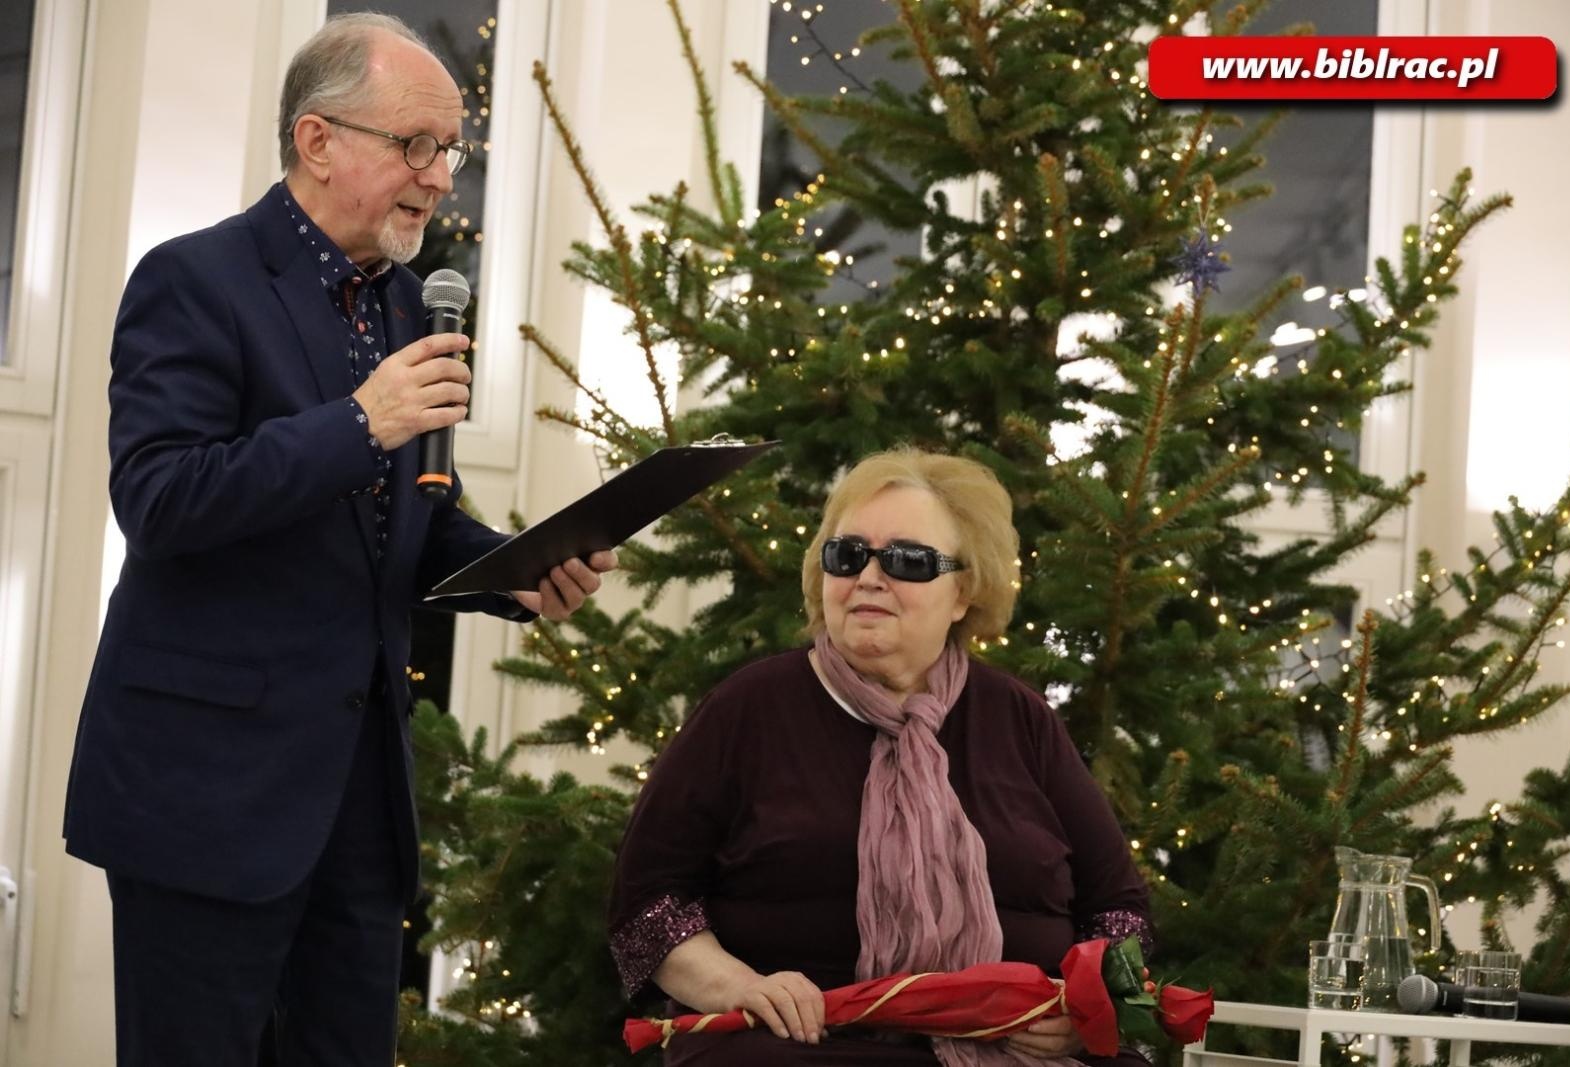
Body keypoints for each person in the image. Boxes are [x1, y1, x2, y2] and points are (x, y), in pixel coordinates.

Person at [61, 14, 615, 1066]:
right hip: (209, 791)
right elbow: (162, 498)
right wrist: (359, 423)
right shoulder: (195, 280)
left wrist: (518, 570)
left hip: (358, 803)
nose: (440, 176)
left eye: (449, 150)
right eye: (414, 144)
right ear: (319, 141)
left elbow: (401, 522)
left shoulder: (406, 302)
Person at [610, 449, 1153, 1065]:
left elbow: (1117, 909)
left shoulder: (1021, 719)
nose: (869, 577)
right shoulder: (747, 709)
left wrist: (1082, 1011)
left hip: (1014, 1047)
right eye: (847, 556)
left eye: (907, 561)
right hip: (800, 1043)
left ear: (963, 593)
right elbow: (648, 905)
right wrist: (745, 989)